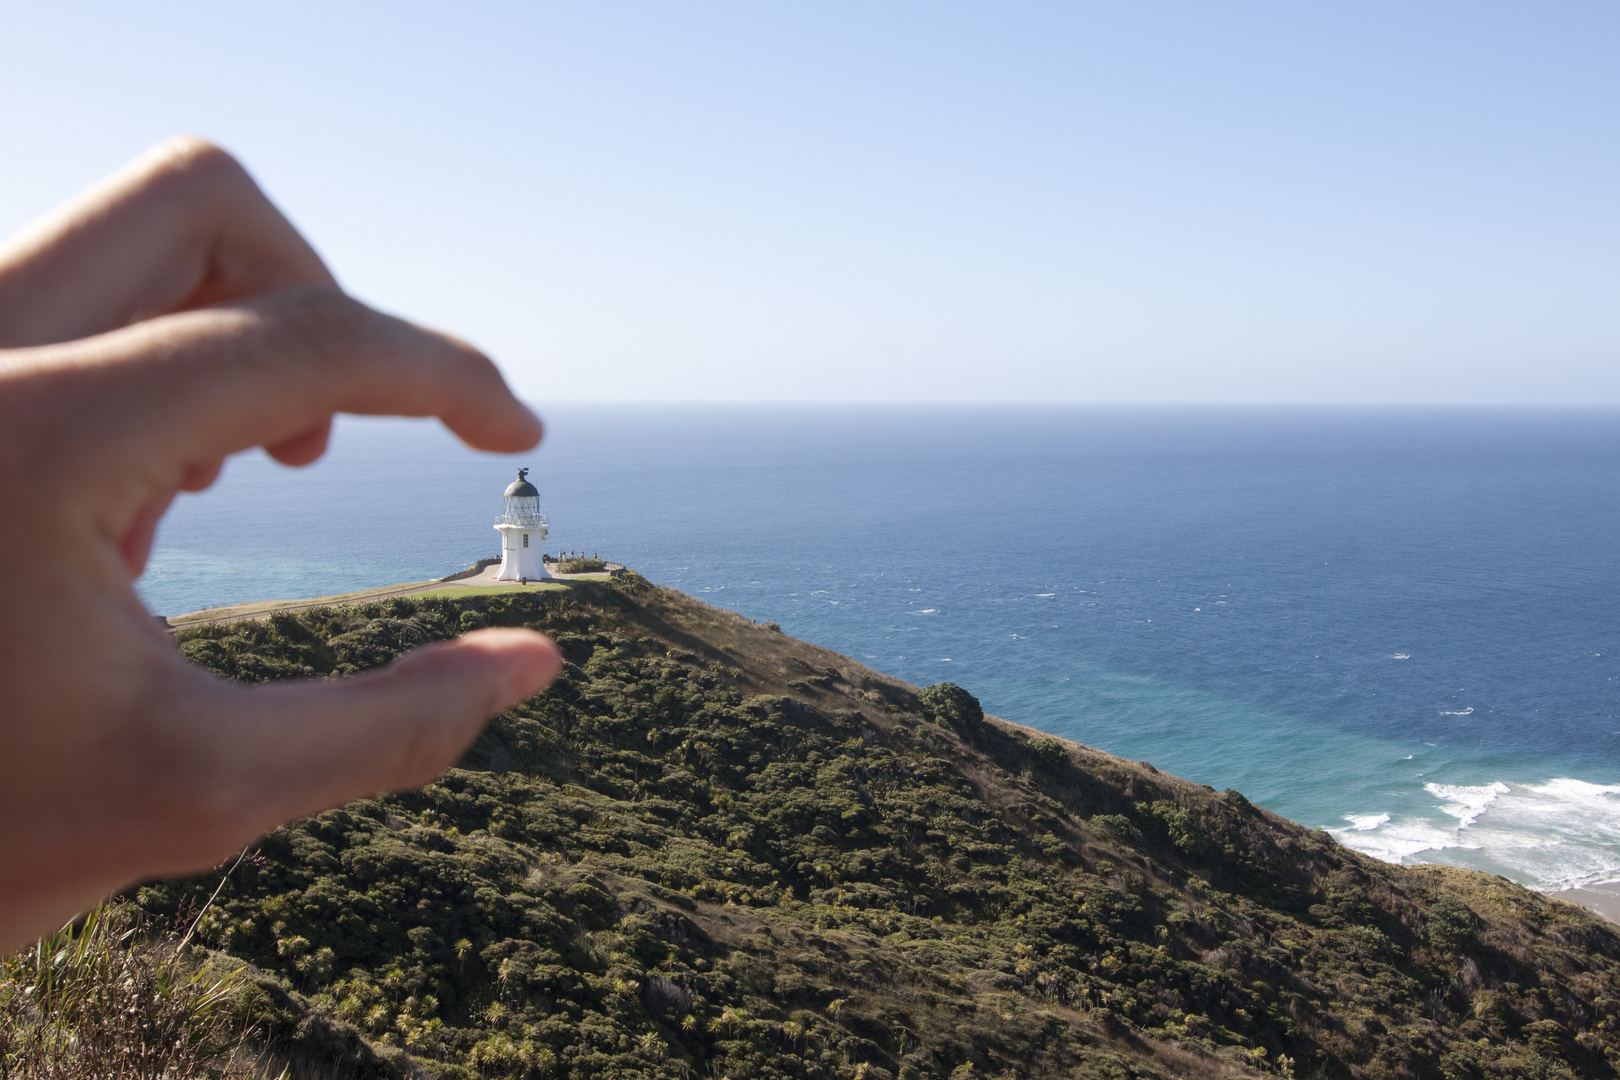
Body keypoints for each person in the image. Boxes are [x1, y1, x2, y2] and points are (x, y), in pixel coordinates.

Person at [0, 137, 562, 954]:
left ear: (525, 524)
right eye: (523, 516)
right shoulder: (525, 529)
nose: (522, 516)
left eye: (524, 515)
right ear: (524, 523)